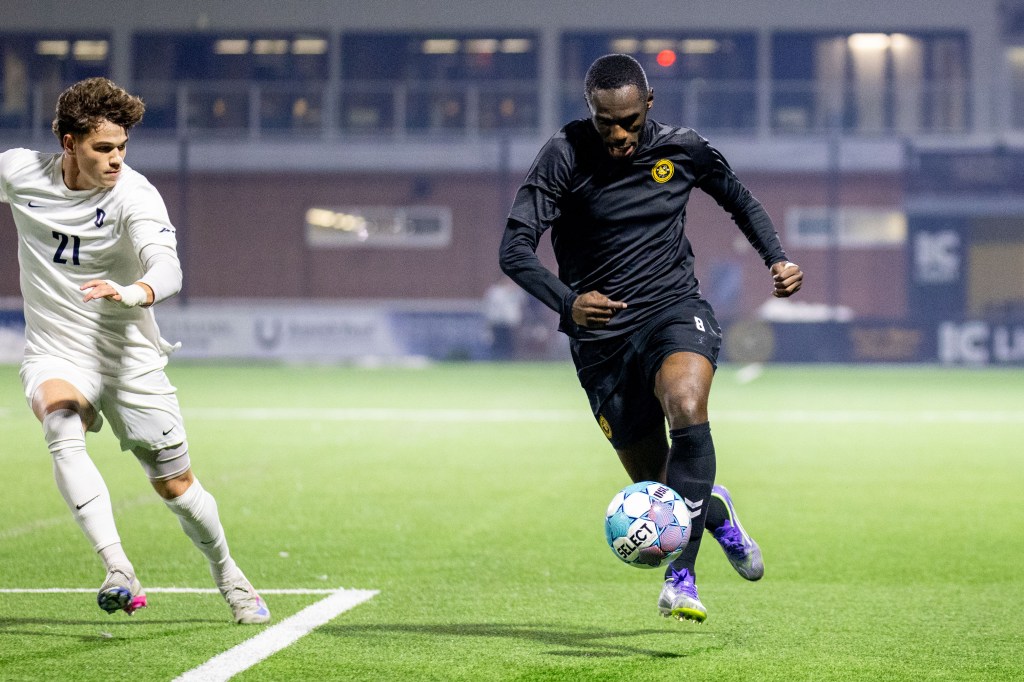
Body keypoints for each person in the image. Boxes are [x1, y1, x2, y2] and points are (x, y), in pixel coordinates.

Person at [499, 54, 803, 622]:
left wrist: (777, 258)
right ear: (590, 110)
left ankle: (681, 579)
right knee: (658, 488)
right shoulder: (563, 156)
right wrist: (568, 302)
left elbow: (739, 198)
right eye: (605, 122)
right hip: (600, 341)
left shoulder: (683, 149)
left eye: (630, 121)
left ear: (649, 105)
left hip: (673, 310)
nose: (618, 135)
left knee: (687, 405)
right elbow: (513, 250)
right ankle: (714, 511)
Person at [0, 77, 270, 624]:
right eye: (104, 148)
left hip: (129, 358)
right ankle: (118, 567)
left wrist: (132, 292)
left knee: (175, 486)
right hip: (57, 350)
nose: (117, 159)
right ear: (69, 142)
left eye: (122, 147)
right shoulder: (20, 172)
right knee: (60, 423)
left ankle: (231, 577)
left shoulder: (135, 195)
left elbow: (167, 268)